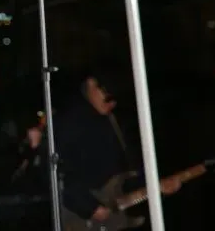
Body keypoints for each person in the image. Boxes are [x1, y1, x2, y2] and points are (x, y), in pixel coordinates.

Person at [56, 70, 181, 226]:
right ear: (91, 84)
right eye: (108, 97)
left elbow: (124, 176)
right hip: (84, 218)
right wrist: (89, 207)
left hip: (117, 216)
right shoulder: (69, 121)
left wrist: (157, 187)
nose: (112, 104)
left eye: (115, 100)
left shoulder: (115, 121)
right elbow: (59, 172)